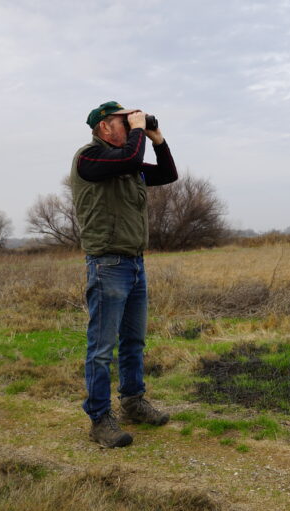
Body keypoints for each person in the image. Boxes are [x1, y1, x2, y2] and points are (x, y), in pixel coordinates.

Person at [70, 101, 178, 448]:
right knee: (102, 348)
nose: (132, 123)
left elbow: (167, 174)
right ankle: (99, 419)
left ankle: (132, 403)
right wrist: (137, 131)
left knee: (134, 342)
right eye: (123, 120)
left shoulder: (126, 165)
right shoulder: (90, 159)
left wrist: (156, 137)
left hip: (134, 263)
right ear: (104, 127)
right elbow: (130, 158)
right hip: (107, 265)